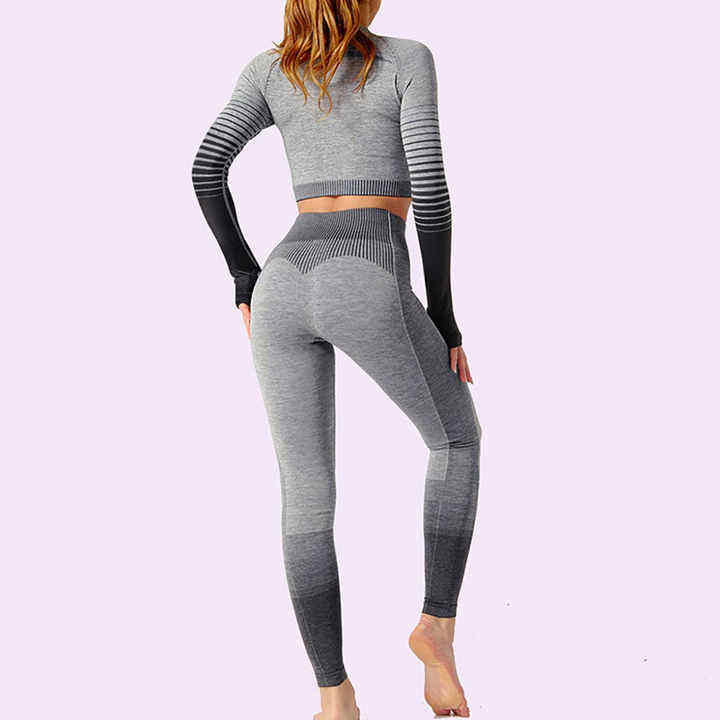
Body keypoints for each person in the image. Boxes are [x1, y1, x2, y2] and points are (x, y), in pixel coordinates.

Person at [191, 1, 481, 717]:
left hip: (283, 280)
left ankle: (334, 697)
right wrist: (442, 315)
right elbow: (431, 192)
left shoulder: (269, 71)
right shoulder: (406, 59)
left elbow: (206, 169)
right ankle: (435, 630)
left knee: (305, 494)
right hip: (366, 267)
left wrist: (244, 278)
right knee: (456, 440)